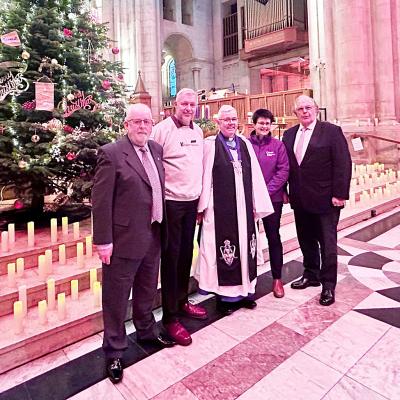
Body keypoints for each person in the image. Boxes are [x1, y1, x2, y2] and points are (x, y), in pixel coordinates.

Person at [92, 103, 175, 384]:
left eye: (147, 122)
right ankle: (114, 350)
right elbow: (101, 203)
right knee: (116, 297)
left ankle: (146, 332)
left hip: (153, 233)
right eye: (136, 122)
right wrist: (103, 241)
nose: (142, 126)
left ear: (152, 125)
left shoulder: (156, 150)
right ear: (126, 125)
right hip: (123, 240)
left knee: (147, 289)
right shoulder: (111, 154)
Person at [195, 105, 274, 316]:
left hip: (244, 208)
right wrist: (202, 207)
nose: (230, 123)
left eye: (233, 119)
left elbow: (256, 177)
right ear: (218, 122)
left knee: (246, 247)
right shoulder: (209, 145)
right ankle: (226, 296)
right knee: (223, 248)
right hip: (219, 209)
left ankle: (246, 291)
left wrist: (258, 206)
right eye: (226, 120)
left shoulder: (246, 144)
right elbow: (204, 178)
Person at [282, 95, 352, 306]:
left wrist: (340, 194)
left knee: (327, 244)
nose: (305, 111)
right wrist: (285, 190)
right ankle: (310, 274)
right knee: (306, 239)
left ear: (316, 110)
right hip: (300, 198)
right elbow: (287, 166)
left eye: (308, 107)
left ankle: (328, 285)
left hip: (326, 200)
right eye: (300, 109)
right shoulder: (289, 134)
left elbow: (343, 163)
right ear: (295, 113)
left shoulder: (331, 131)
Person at [152, 88, 206, 346]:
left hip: (191, 203)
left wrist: (200, 203)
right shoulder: (161, 130)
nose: (188, 108)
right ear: (176, 105)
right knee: (171, 259)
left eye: (192, 104)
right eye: (184, 103)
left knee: (186, 254)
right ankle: (170, 317)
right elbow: (152, 167)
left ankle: (182, 300)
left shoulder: (198, 131)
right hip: (171, 203)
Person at [249, 108, 289, 298]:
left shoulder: (278, 145)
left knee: (273, 238)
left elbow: (283, 172)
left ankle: (277, 279)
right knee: (249, 240)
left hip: (272, 200)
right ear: (254, 124)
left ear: (271, 125)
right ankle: (248, 281)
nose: (264, 126)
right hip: (249, 201)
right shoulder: (245, 144)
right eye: (261, 123)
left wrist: (264, 192)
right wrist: (252, 194)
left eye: (267, 123)